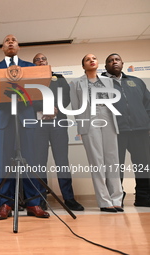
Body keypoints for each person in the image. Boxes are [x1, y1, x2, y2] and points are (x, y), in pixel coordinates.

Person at [0, 34, 49, 220]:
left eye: (13, 40)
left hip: (26, 118)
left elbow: (39, 93)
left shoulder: (30, 68)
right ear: (2, 47)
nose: (10, 42)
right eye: (7, 40)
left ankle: (33, 203)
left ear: (19, 46)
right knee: (4, 163)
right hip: (4, 119)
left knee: (30, 160)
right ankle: (5, 203)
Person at [70, 53, 123, 212]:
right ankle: (105, 201)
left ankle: (117, 199)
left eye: (94, 58)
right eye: (87, 59)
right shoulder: (76, 83)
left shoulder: (108, 81)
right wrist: (81, 127)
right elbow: (76, 107)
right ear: (83, 66)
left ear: (98, 63)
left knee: (112, 160)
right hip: (89, 120)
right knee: (97, 162)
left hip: (108, 118)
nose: (91, 60)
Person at [32, 53, 84, 211]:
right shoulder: (30, 80)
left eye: (43, 59)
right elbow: (27, 99)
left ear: (48, 62)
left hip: (58, 122)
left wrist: (54, 108)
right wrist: (43, 107)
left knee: (62, 161)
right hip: (38, 124)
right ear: (34, 64)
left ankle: (69, 198)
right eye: (37, 60)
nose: (41, 61)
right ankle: (41, 198)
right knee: (39, 162)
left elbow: (66, 96)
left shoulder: (59, 77)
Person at [102, 53, 150, 207]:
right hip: (116, 131)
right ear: (106, 66)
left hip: (140, 130)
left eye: (117, 59)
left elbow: (147, 105)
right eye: (110, 60)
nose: (114, 62)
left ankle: (143, 197)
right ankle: (117, 198)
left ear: (122, 63)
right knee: (116, 167)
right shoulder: (100, 83)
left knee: (143, 165)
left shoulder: (136, 82)